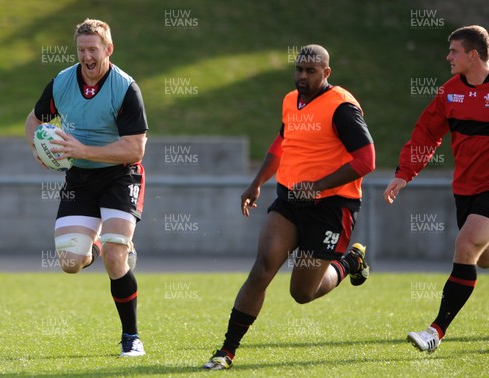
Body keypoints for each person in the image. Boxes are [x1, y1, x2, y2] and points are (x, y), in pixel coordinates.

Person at [203, 44, 375, 370]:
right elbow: (282, 143)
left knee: (302, 292)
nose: (303, 76)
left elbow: (366, 160)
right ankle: (226, 351)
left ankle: (350, 262)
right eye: (299, 70)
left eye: (311, 71)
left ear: (326, 73)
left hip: (330, 208)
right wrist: (257, 183)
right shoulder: (289, 101)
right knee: (263, 268)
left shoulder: (341, 107)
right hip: (289, 201)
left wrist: (318, 186)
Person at [24, 18, 148, 357]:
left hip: (121, 176)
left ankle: (131, 337)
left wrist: (83, 151)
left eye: (93, 49)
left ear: (108, 50)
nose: (87, 57)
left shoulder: (124, 88)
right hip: (79, 179)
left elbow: (135, 148)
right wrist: (37, 148)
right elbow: (34, 120)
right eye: (81, 50)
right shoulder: (62, 82)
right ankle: (100, 244)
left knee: (114, 255)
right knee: (69, 262)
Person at [383, 25, 489, 353]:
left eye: (454, 51)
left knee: (467, 243)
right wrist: (405, 173)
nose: (448, 57)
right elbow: (427, 134)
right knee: (483, 260)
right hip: (465, 190)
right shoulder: (448, 92)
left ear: (473, 55)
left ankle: (435, 331)